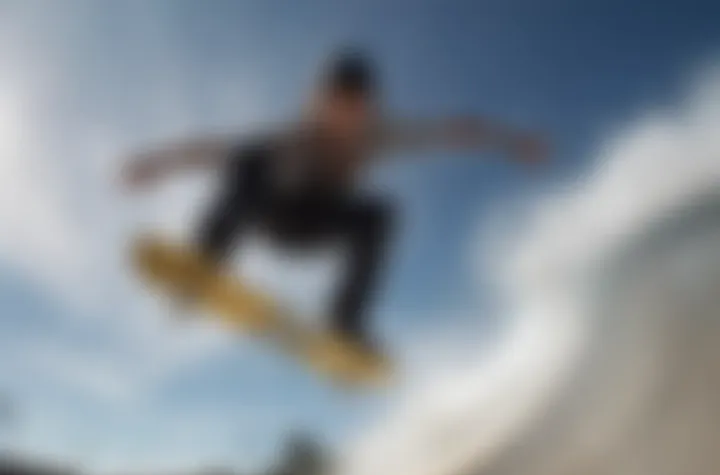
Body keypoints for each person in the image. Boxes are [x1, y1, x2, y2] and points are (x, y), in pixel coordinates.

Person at [121, 49, 549, 353]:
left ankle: (344, 322)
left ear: (367, 108)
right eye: (334, 103)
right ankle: (204, 265)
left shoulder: (381, 136)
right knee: (251, 159)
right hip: (275, 217)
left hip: (318, 227)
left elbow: (454, 131)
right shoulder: (296, 134)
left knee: (382, 213)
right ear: (318, 102)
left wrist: (512, 141)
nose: (343, 115)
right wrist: (155, 163)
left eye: (354, 105)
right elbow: (212, 149)